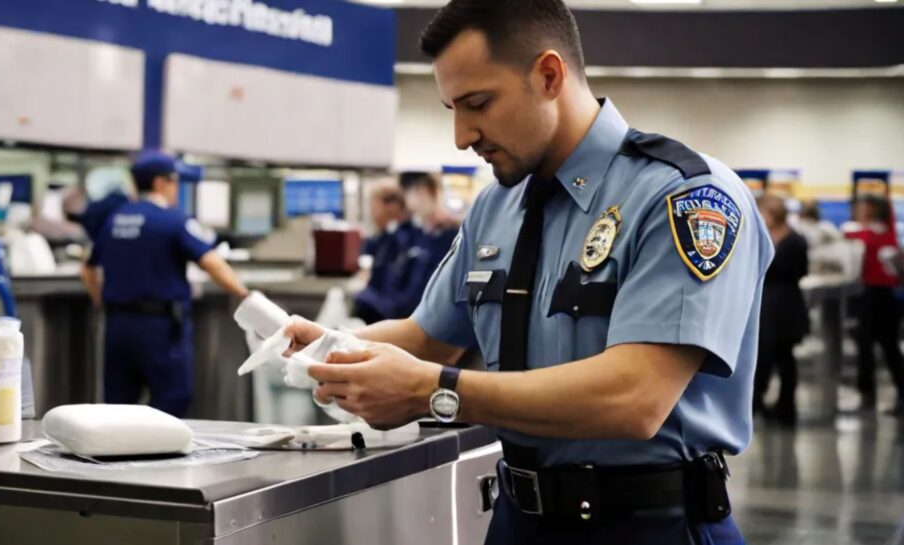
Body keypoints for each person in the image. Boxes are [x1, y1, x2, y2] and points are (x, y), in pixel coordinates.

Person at [285, 2, 772, 543]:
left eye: (478, 104)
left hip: (650, 522)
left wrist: (434, 392)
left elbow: (635, 398)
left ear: (548, 75)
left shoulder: (681, 195)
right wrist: (332, 347)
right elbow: (427, 337)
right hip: (517, 519)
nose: (461, 136)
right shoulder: (497, 207)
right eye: (451, 108)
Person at [80, 151, 249, 417]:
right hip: (160, 328)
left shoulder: (115, 219)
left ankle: (120, 456)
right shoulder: (173, 221)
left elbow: (88, 270)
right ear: (160, 183)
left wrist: (102, 302)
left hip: (118, 326)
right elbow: (211, 262)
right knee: (172, 399)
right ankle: (155, 454)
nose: (176, 189)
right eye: (174, 182)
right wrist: (243, 293)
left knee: (117, 406)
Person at [844, 195, 904, 414]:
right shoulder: (879, 232)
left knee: (885, 347)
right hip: (872, 294)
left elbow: (859, 237)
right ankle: (868, 394)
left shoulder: (876, 232)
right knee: (869, 347)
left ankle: (882, 395)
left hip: (879, 295)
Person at [754, 195, 809, 425]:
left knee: (785, 359)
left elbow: (799, 271)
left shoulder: (795, 240)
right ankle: (757, 402)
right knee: (762, 357)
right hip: (767, 304)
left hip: (786, 306)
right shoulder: (762, 237)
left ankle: (786, 406)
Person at [354, 185, 421, 324]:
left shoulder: (406, 240)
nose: (372, 214)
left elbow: (398, 295)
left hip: (394, 313)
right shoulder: (381, 239)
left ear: (392, 206)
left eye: (374, 208)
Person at [399, 172, 461, 317]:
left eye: (409, 195)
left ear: (424, 191)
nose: (409, 204)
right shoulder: (421, 235)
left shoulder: (453, 235)